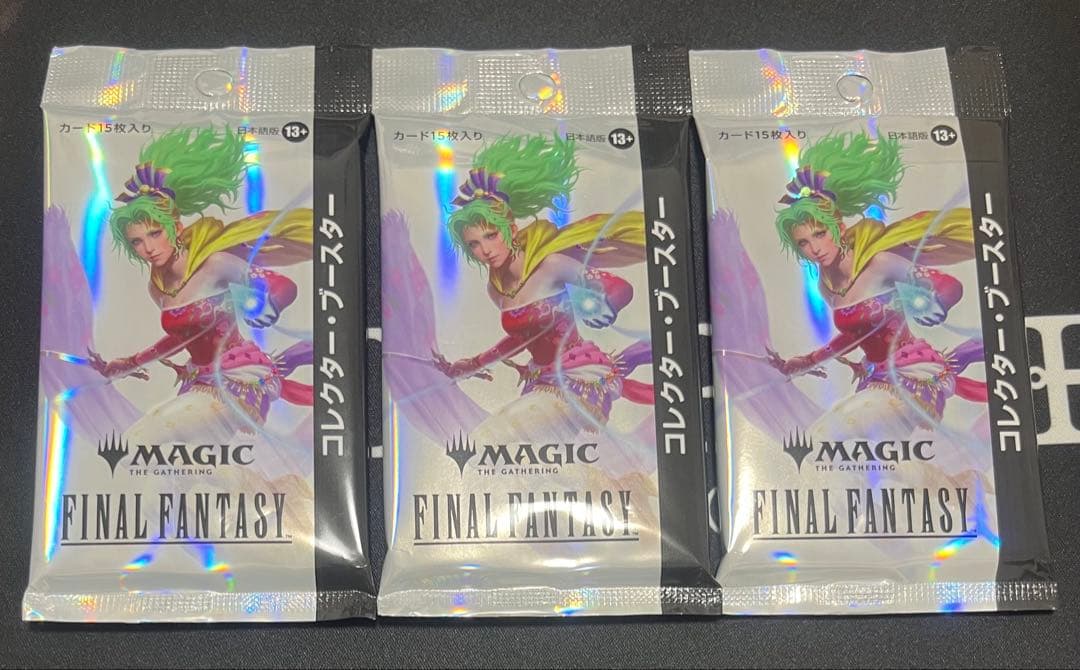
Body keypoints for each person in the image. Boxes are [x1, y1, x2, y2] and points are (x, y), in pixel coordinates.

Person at [89, 127, 313, 443]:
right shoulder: (158, 288)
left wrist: (267, 303)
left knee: (136, 443)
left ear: (176, 228)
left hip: (238, 378)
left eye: (155, 234)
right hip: (199, 381)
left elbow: (281, 285)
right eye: (137, 242)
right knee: (192, 465)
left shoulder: (215, 264)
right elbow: (181, 338)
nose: (148, 248)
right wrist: (128, 363)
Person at [765, 132, 987, 437]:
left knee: (825, 436)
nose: (814, 248)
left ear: (838, 227)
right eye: (803, 242)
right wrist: (805, 362)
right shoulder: (827, 287)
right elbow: (853, 336)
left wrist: (934, 303)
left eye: (820, 234)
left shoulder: (880, 263)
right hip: (876, 378)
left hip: (912, 373)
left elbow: (948, 285)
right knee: (860, 452)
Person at [432, 133, 652, 441]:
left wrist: (604, 306)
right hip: (542, 381)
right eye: (474, 244)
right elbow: (521, 339)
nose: (485, 250)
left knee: (489, 439)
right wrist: (470, 365)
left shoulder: (551, 265)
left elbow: (619, 287)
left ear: (511, 229)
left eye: (491, 236)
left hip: (578, 378)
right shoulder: (497, 290)